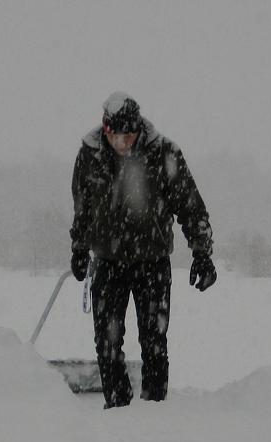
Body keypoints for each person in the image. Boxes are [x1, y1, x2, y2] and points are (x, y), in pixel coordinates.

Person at [69, 92, 216, 409]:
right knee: (107, 342)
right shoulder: (90, 155)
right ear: (106, 130)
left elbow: (191, 207)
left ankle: (154, 408)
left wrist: (201, 253)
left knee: (154, 341)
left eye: (129, 136)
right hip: (108, 263)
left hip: (152, 264)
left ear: (138, 130)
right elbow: (83, 207)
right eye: (116, 136)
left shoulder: (164, 153)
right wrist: (80, 248)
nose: (123, 142)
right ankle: (118, 405)